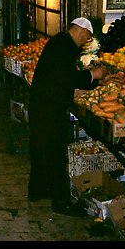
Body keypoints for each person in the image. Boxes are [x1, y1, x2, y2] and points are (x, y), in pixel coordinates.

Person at [27, 17, 107, 217]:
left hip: (42, 103)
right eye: (86, 38)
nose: (85, 42)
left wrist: (90, 80)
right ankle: (61, 202)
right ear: (81, 30)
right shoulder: (66, 46)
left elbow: (62, 77)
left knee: (40, 148)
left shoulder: (60, 41)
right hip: (49, 107)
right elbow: (67, 78)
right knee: (54, 151)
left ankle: (37, 190)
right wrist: (92, 76)